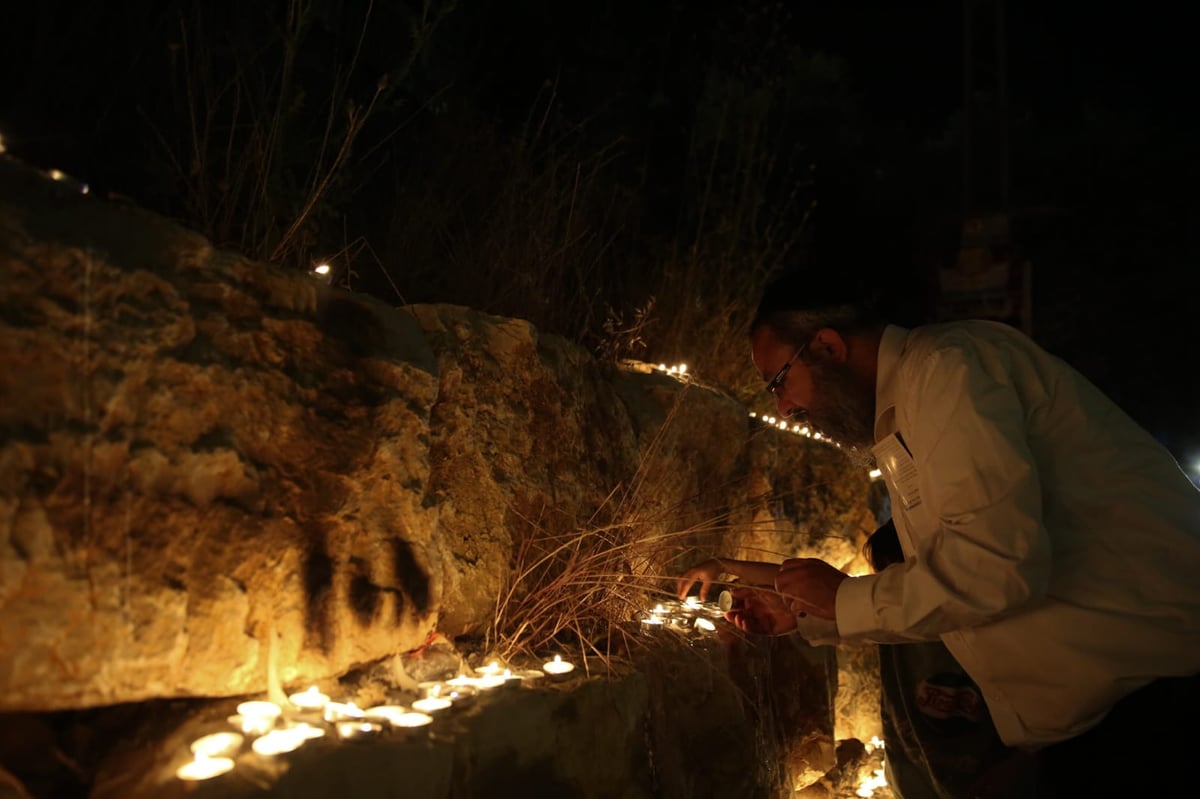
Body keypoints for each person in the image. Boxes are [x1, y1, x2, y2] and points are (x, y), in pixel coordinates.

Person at [701, 270, 1200, 796]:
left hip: (1155, 709)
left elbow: (997, 568)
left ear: (826, 346)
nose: (783, 407)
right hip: (1099, 724)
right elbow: (956, 585)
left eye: (779, 381)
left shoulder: (948, 370)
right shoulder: (909, 408)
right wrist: (814, 612)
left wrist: (844, 600)